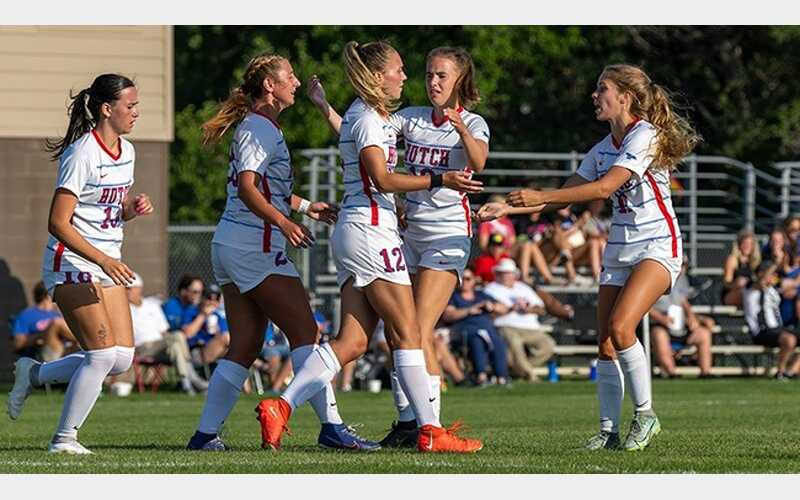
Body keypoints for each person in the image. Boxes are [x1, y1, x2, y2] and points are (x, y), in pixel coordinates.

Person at [255, 40, 483, 453]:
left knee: (354, 343)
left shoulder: (368, 116)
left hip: (358, 229)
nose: (406, 77)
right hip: (372, 231)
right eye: (398, 69)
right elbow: (381, 178)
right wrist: (439, 180)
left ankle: (281, 405)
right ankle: (429, 431)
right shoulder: (370, 118)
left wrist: (324, 106)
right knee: (410, 331)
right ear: (378, 76)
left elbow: (355, 140)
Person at [478, 63, 700, 451]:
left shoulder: (645, 135)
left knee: (620, 327)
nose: (594, 96)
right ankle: (608, 431)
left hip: (656, 245)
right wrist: (507, 209)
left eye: (602, 89)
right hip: (619, 248)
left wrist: (541, 198)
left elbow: (604, 188)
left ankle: (646, 416)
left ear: (625, 98)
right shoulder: (601, 148)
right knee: (606, 344)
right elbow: (569, 191)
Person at [185, 53, 377, 452]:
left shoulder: (262, 126)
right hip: (254, 245)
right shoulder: (259, 128)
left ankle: (204, 436)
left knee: (245, 345)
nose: (295, 81)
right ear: (269, 86)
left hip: (231, 243)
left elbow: (261, 187)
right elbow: (248, 187)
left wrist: (306, 208)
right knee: (308, 333)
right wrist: (284, 222)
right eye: (288, 76)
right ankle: (331, 427)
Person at [7, 74, 154, 455]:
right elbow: (58, 222)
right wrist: (103, 258)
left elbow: (106, 210)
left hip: (107, 262)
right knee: (102, 355)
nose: (136, 112)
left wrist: (129, 209)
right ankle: (64, 439)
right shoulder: (82, 153)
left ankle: (35, 373)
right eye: (130, 105)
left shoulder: (130, 151)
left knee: (121, 359)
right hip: (70, 260)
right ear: (108, 109)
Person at [112, 273, 208, 396]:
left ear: (139, 289)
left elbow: (164, 332)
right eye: (124, 288)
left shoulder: (151, 306)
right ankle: (193, 380)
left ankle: (186, 384)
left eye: (129, 288)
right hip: (141, 347)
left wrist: (170, 341)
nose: (126, 291)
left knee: (176, 346)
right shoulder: (122, 308)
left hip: (160, 346)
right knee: (178, 336)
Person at [483, 258, 573, 382]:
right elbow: (491, 311)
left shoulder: (523, 287)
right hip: (505, 325)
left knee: (548, 345)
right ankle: (530, 375)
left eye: (510, 273)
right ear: (498, 274)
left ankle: (517, 371)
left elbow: (541, 308)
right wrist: (512, 308)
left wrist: (529, 309)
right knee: (514, 343)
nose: (508, 276)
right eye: (504, 273)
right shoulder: (490, 289)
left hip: (530, 327)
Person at [442, 268, 510, 387]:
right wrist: (469, 310)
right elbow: (448, 315)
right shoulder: (454, 297)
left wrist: (492, 307)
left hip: (487, 329)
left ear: (474, 281)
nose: (465, 282)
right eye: (462, 279)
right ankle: (481, 375)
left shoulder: (481, 295)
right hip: (465, 329)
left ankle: (501, 377)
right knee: (477, 339)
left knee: (498, 342)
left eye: (468, 279)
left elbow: (504, 308)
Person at [649, 260, 715, 378]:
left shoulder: (681, 280)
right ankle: (671, 372)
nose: (682, 268)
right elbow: (645, 306)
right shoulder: (653, 277)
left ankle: (705, 372)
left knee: (704, 333)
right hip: (660, 323)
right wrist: (661, 318)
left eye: (683, 265)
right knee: (659, 335)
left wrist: (691, 317)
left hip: (680, 323)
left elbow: (683, 301)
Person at [743, 261, 800, 380]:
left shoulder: (773, 288)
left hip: (777, 329)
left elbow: (790, 284)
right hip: (761, 331)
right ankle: (780, 372)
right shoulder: (750, 287)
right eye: (771, 273)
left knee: (790, 336)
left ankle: (791, 372)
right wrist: (773, 267)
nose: (774, 276)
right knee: (789, 339)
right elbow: (760, 283)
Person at [10, 281, 77, 362]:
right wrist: (43, 335)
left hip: (66, 351)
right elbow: (17, 344)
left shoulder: (57, 314)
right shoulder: (27, 315)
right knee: (56, 323)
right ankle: (87, 341)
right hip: (42, 354)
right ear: (49, 295)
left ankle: (85, 343)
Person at [721, 229, 760, 307]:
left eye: (750, 244)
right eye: (745, 243)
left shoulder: (755, 261)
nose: (747, 246)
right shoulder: (732, 259)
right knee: (750, 294)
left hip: (749, 292)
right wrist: (736, 284)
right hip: (732, 293)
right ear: (739, 244)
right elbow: (726, 283)